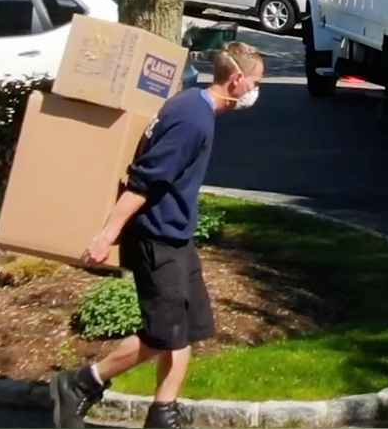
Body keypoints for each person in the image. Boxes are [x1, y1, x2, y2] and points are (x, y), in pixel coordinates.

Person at [50, 41, 264, 429]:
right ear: (235, 80)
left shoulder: (191, 104)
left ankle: (163, 414)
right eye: (255, 82)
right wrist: (107, 234)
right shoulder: (192, 121)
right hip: (157, 239)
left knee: (187, 327)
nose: (256, 91)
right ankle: (81, 383)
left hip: (176, 236)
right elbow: (144, 182)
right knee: (163, 334)